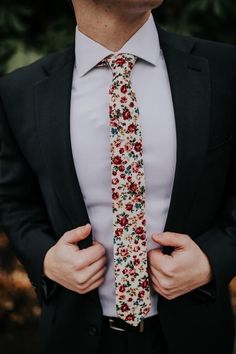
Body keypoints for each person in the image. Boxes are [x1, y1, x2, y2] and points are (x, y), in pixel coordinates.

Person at [0, 1, 235, 353]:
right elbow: (14, 202)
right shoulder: (19, 91)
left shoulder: (225, 68)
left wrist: (213, 259)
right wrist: (47, 258)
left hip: (195, 335)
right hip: (75, 338)